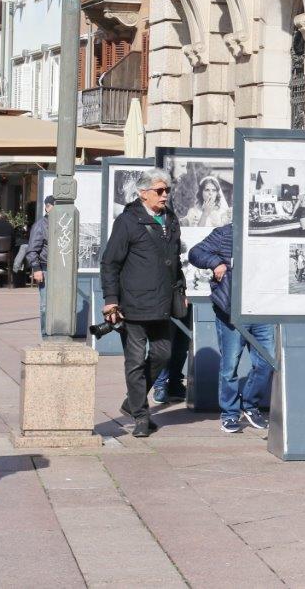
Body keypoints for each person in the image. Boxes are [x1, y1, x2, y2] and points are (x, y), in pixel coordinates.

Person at [99, 168, 186, 438]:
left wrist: (181, 288)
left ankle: (132, 400)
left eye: (167, 191)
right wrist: (111, 300)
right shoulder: (128, 221)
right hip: (133, 304)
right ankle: (140, 415)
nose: (164, 196)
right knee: (135, 360)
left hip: (162, 303)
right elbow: (110, 262)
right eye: (159, 191)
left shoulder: (170, 219)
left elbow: (175, 260)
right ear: (143, 193)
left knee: (163, 354)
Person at [188, 224, 275, 433]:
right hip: (231, 311)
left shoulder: (270, 230)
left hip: (263, 310)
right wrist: (215, 262)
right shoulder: (225, 233)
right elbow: (195, 253)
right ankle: (230, 414)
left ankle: (250, 405)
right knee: (230, 366)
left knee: (267, 361)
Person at [25, 197, 53, 337]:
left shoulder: (61, 223)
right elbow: (32, 250)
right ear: (47, 207)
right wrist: (36, 269)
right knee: (45, 305)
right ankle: (45, 334)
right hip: (45, 268)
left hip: (60, 269)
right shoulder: (40, 225)